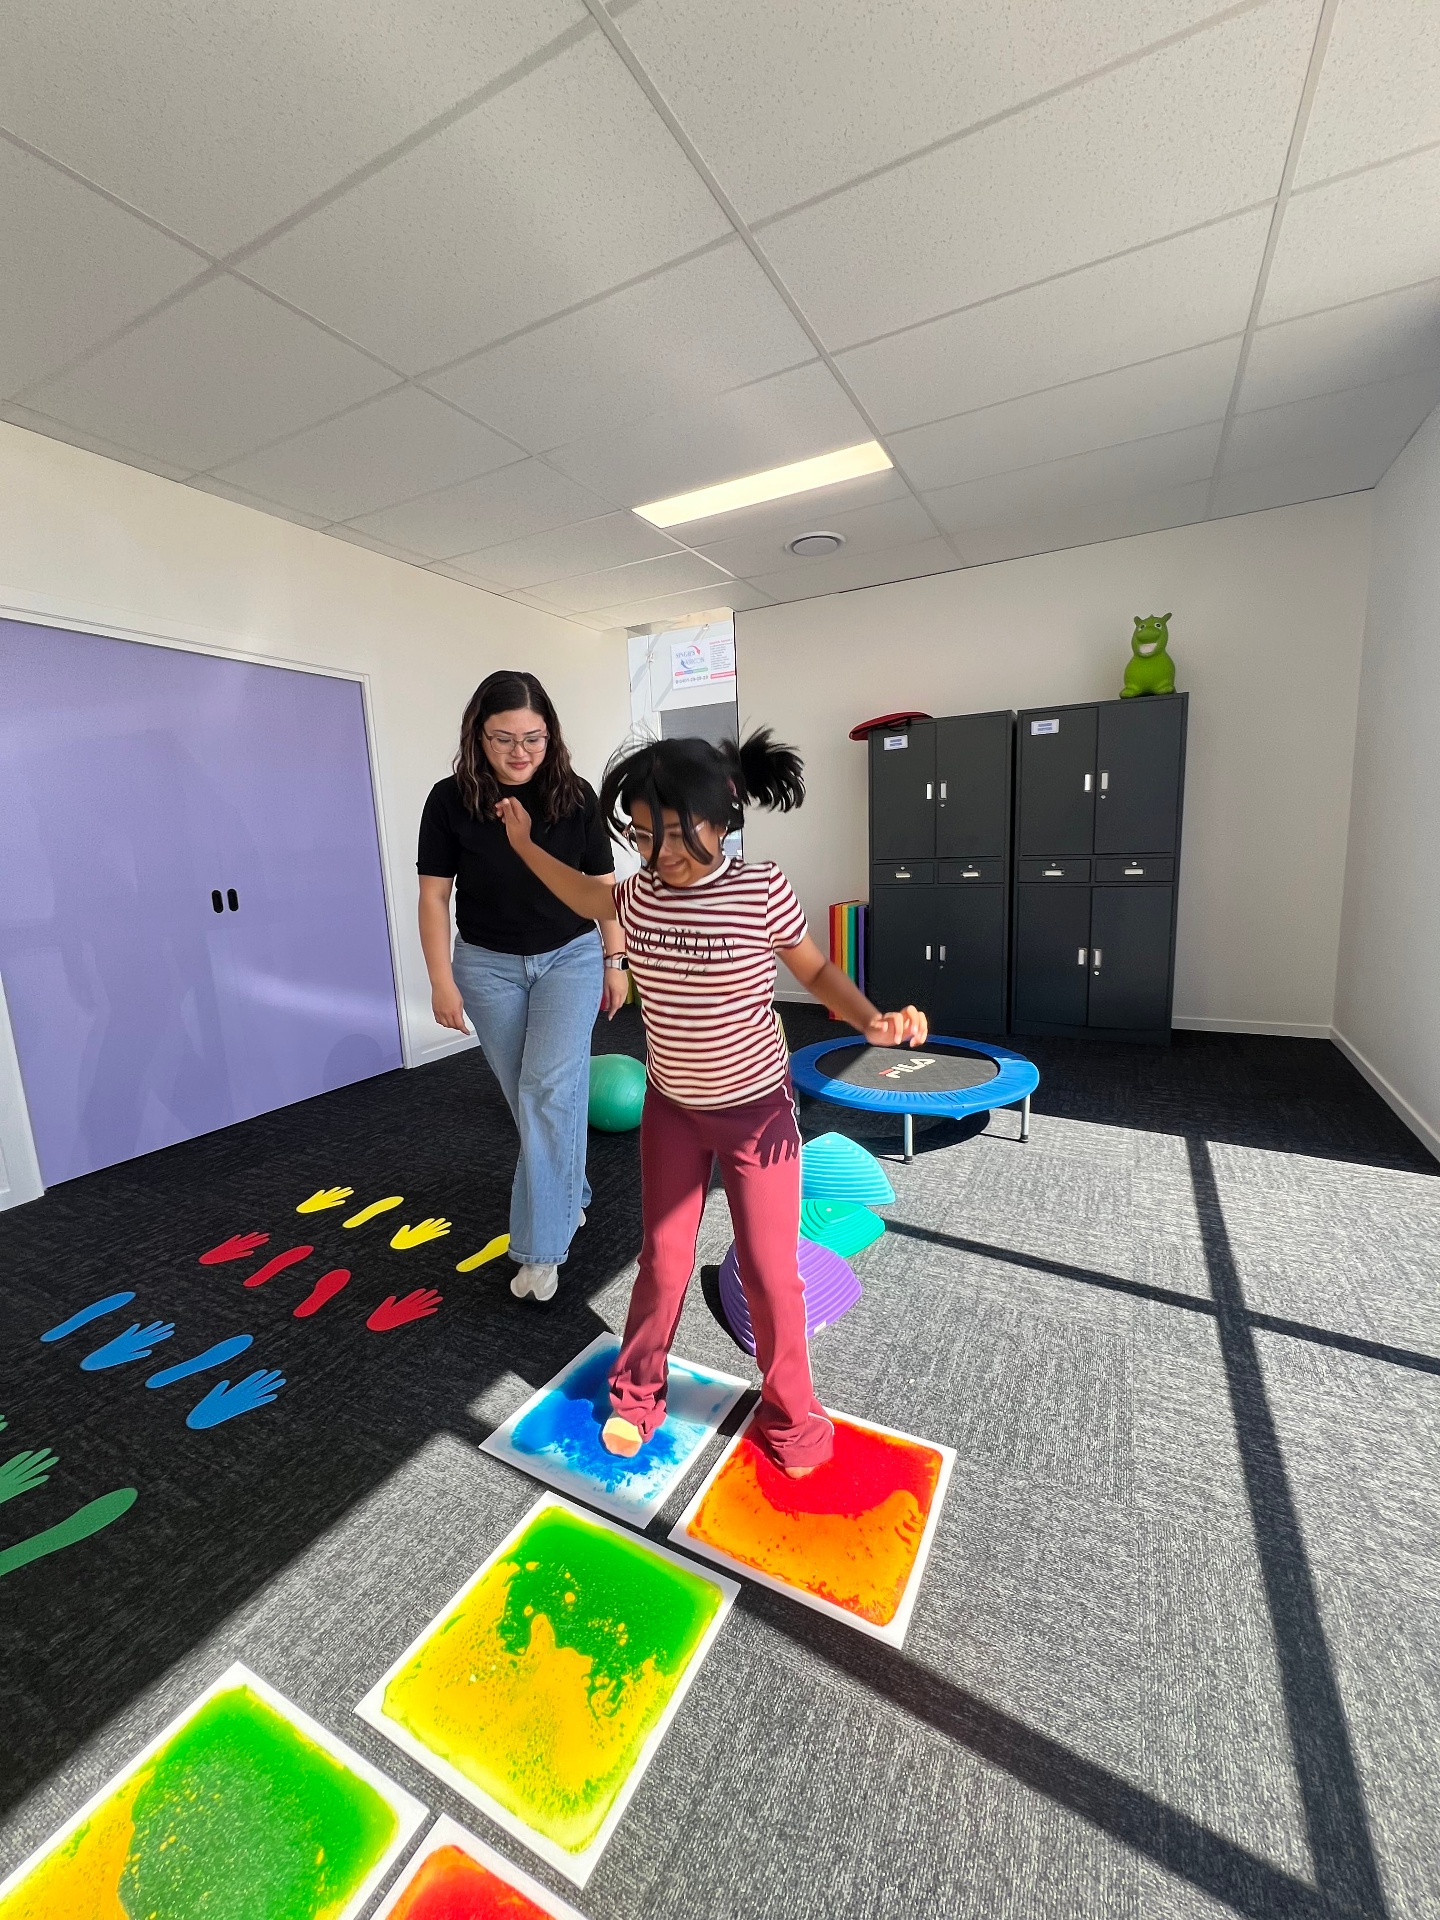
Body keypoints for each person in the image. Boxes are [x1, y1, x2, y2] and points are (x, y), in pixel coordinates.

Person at [498, 730, 926, 1478]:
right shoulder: (635, 899)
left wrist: (870, 1019)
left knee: (769, 1270)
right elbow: (575, 888)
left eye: (669, 834)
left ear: (720, 820)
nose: (654, 852)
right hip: (671, 1112)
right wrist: (525, 842)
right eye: (639, 834)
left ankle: (794, 1417)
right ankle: (636, 1395)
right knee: (663, 1260)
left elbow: (816, 969)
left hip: (757, 1113)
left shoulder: (759, 889)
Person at [417, 671, 628, 1302]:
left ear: (550, 736)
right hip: (486, 967)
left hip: (569, 957)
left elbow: (603, 892)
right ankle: (573, 1190)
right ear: (478, 737)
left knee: (545, 1092)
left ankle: (540, 1251)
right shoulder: (448, 800)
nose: (519, 752)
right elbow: (434, 895)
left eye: (533, 739)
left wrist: (616, 960)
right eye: (503, 738)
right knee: (527, 1097)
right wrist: (440, 981)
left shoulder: (576, 797)